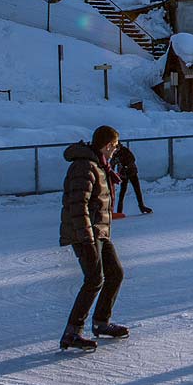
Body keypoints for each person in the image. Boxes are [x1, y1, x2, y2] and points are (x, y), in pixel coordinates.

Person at [59, 126, 127, 350]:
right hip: (85, 233)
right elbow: (78, 205)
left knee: (115, 273)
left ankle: (101, 322)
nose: (115, 151)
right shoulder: (85, 167)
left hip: (99, 232)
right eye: (115, 147)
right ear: (107, 145)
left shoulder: (99, 166)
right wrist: (87, 238)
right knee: (94, 279)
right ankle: (73, 331)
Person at [111, 142, 151, 216]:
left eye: (116, 148)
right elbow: (112, 164)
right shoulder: (115, 154)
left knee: (137, 190)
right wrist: (111, 171)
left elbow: (132, 159)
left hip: (132, 172)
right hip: (123, 175)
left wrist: (125, 166)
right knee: (122, 192)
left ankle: (142, 206)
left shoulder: (125, 150)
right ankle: (119, 211)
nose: (115, 150)